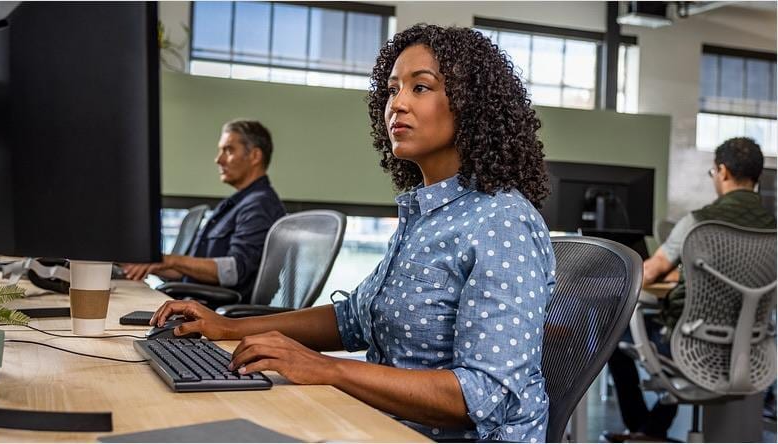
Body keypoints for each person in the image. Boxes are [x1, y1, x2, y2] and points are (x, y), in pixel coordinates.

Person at [149, 24, 556, 442]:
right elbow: (351, 320)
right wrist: (228, 328)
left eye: (420, 88)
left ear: (473, 104)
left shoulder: (501, 221)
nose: (396, 103)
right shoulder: (426, 214)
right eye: (392, 89)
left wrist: (327, 369)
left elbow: (485, 395)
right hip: (380, 426)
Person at [605, 137, 776, 443]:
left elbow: (648, 273)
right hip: (752, 352)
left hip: (691, 349)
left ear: (722, 171)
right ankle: (650, 430)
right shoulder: (772, 229)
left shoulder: (699, 222)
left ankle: (643, 430)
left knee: (611, 333)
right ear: (757, 177)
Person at [124, 120, 286, 303]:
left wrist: (171, 260)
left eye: (229, 150)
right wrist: (147, 262)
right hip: (193, 304)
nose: (219, 159)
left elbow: (235, 270)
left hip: (215, 316)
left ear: (255, 156)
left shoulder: (260, 205)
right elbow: (186, 272)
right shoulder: (236, 205)